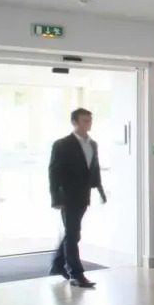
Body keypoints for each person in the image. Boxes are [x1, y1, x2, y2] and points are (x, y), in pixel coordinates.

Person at [48, 108, 106, 288]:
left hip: (83, 194)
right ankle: (76, 273)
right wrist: (56, 198)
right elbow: (54, 172)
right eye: (84, 120)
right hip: (68, 195)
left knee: (72, 233)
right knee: (73, 234)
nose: (88, 123)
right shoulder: (62, 144)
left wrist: (100, 189)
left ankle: (58, 264)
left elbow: (94, 168)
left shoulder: (93, 144)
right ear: (75, 122)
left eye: (89, 120)